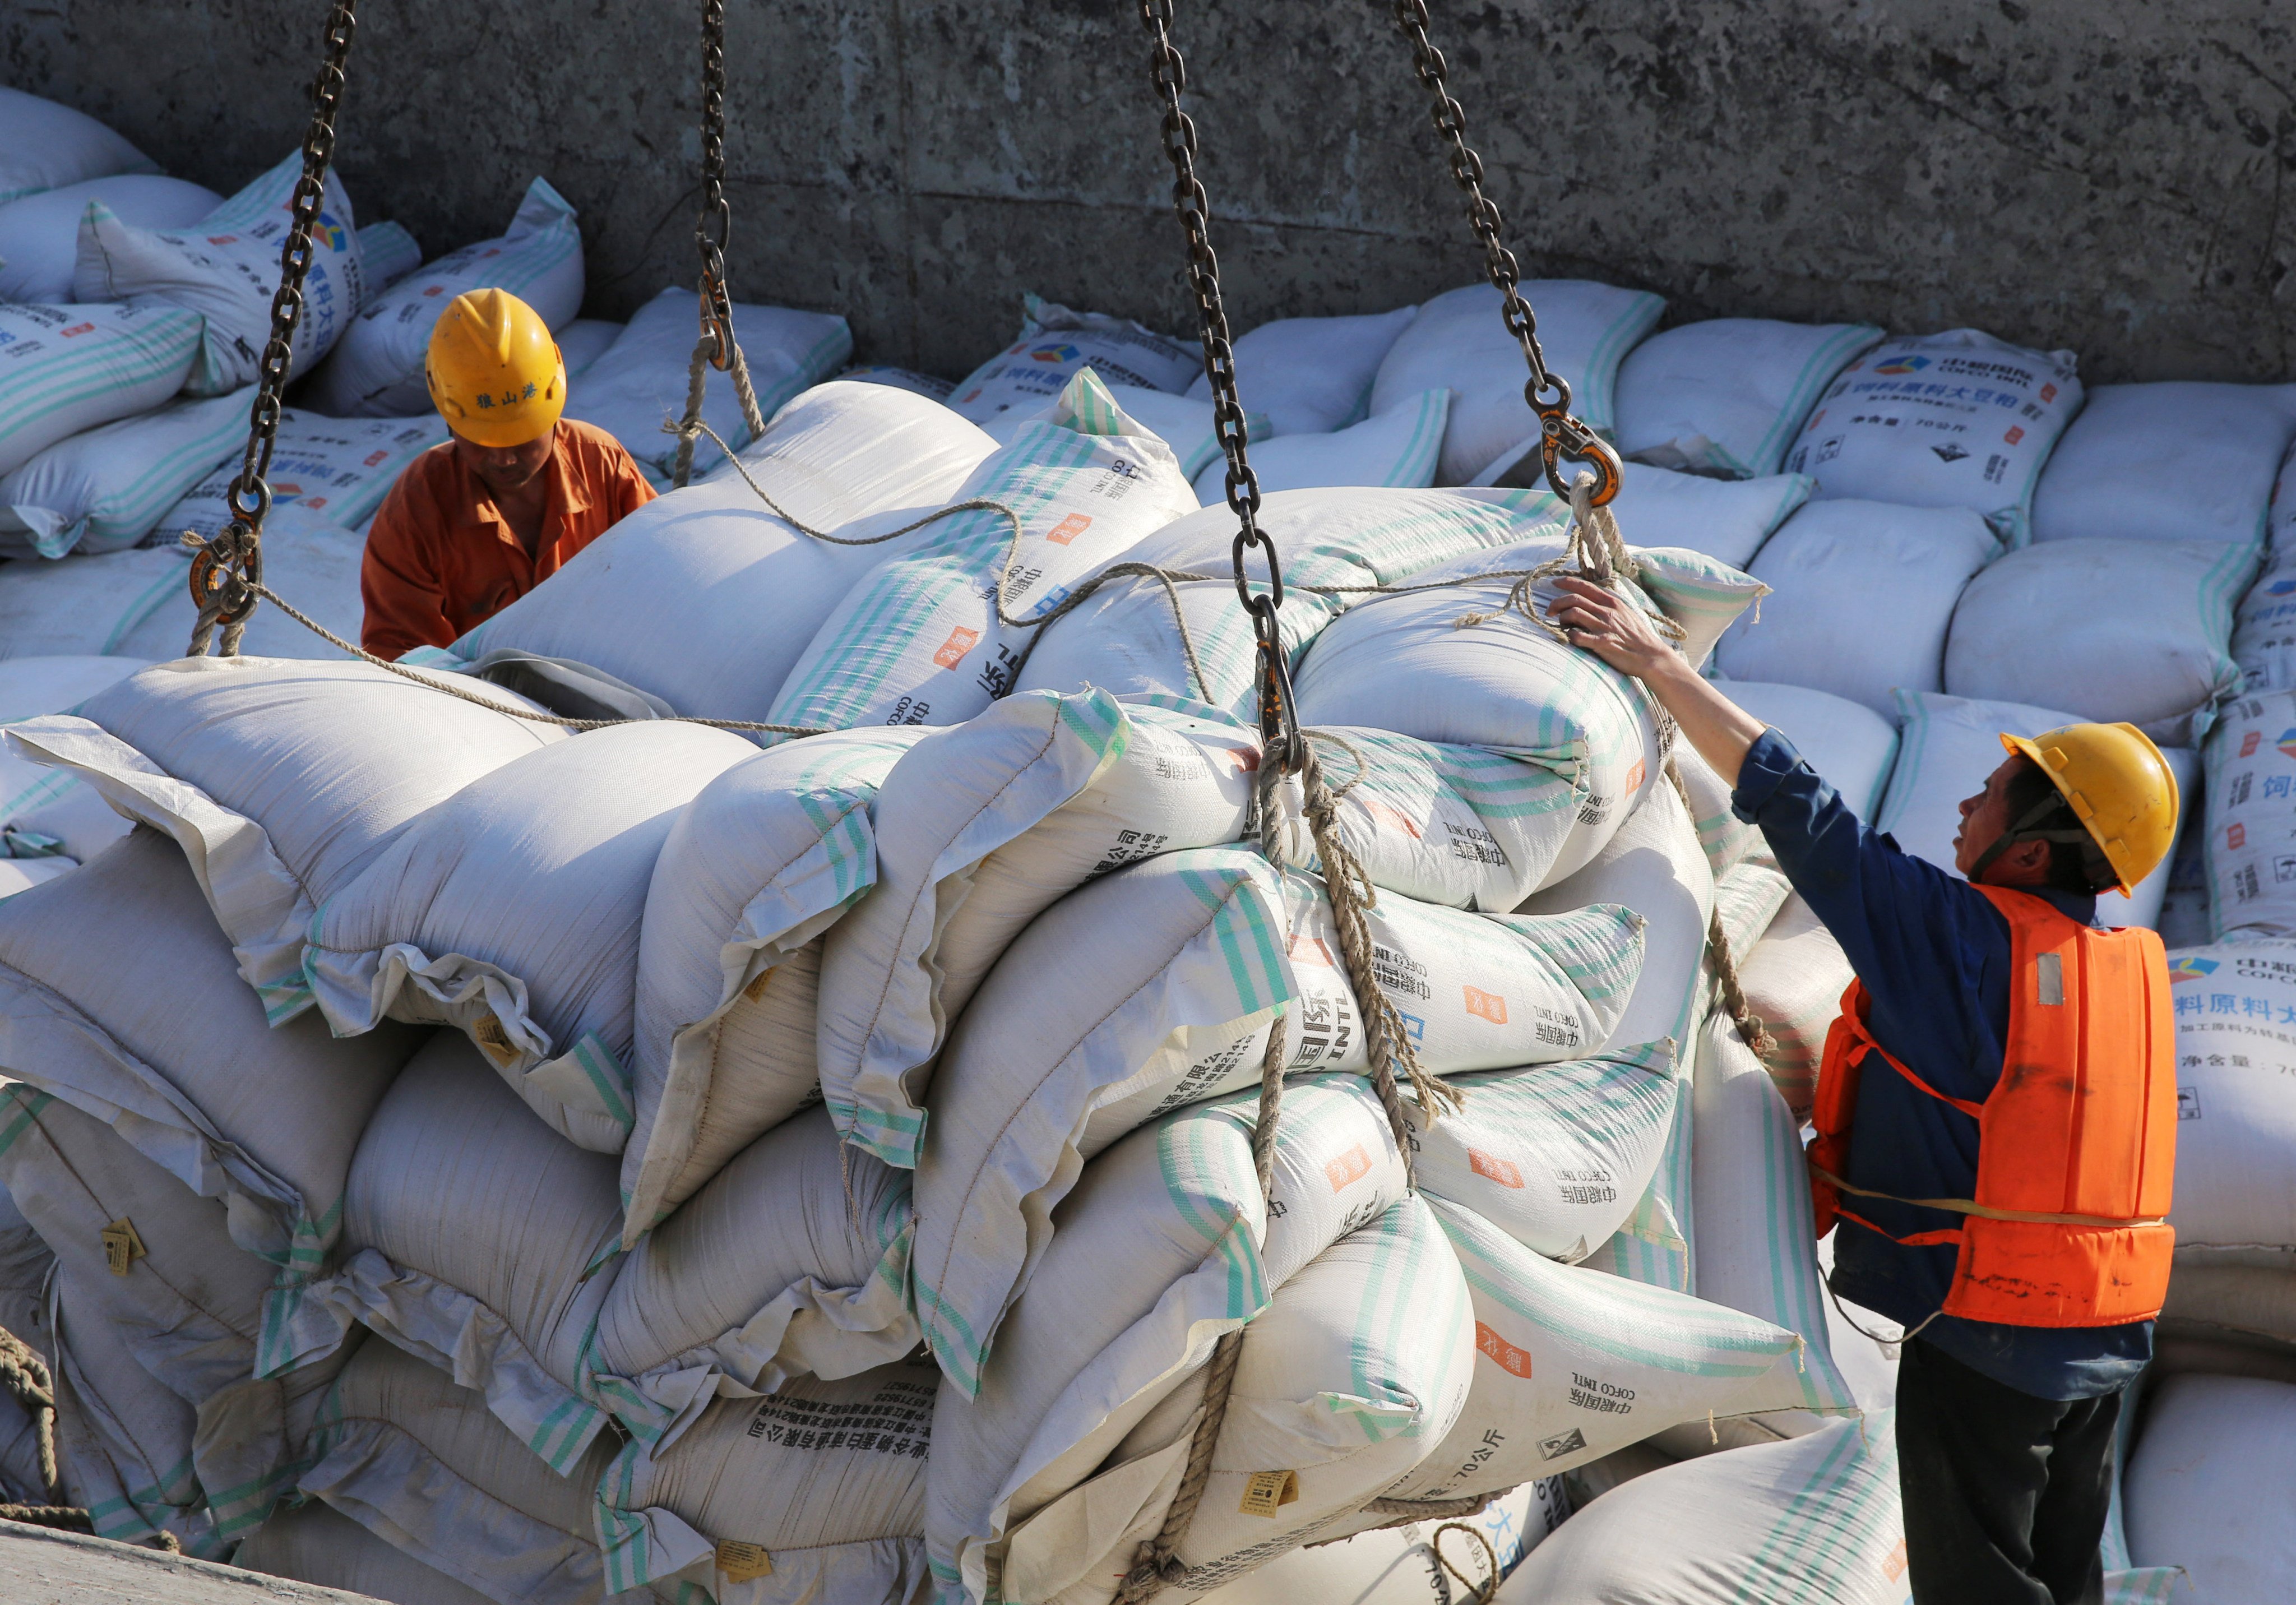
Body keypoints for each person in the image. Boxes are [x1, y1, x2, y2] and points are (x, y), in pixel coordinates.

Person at [1546, 573, 2179, 1605]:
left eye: (1992, 793)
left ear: (2029, 846)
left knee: (1975, 1584)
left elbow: (1809, 819)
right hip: (2104, 1327)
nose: (1967, 803)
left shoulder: (1960, 940)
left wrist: (1657, 664)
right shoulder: (2121, 968)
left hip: (1990, 1331)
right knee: (2064, 1577)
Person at [360, 287, 656, 658]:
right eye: (483, 441)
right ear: (450, 422)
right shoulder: (417, 511)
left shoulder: (603, 467)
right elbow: (401, 656)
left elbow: (662, 584)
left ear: (553, 409)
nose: (503, 460)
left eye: (520, 439)